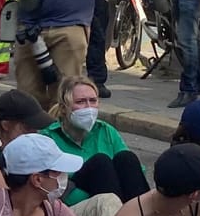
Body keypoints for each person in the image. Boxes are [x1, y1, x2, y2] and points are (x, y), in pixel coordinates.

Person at [43, 76, 148, 206]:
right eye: (80, 102)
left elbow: (134, 173)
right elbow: (52, 187)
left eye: (93, 101)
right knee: (100, 163)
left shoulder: (106, 130)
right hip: (74, 204)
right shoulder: (48, 137)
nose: (88, 108)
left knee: (126, 158)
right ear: (64, 108)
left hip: (117, 199)